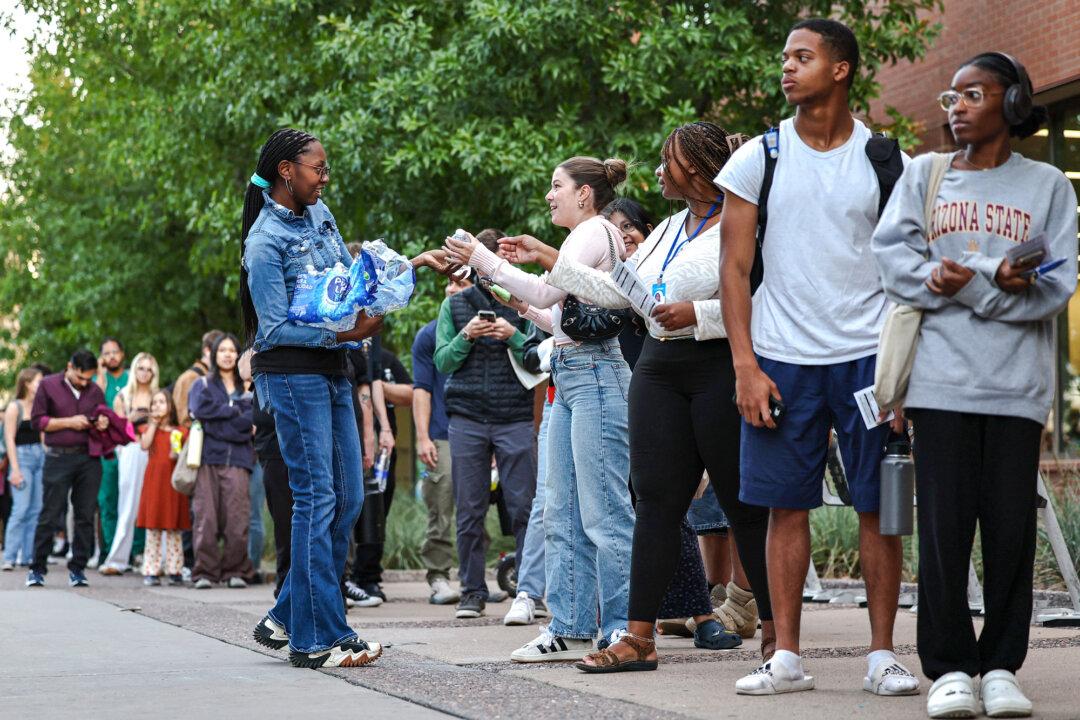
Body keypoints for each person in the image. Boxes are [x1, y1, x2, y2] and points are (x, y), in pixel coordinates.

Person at [498, 124, 769, 672]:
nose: (657, 172)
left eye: (667, 162)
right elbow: (622, 293)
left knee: (742, 504)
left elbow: (762, 301)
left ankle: (779, 639)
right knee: (654, 503)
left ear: (693, 167)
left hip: (716, 365)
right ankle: (636, 637)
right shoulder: (668, 227)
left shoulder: (740, 222)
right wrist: (549, 257)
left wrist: (701, 315)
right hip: (659, 371)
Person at [717, 18, 917, 696]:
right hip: (781, 358)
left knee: (876, 507)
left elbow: (910, 271)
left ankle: (883, 654)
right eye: (784, 57)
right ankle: (787, 657)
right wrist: (744, 365)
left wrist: (902, 377)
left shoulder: (888, 161)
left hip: (868, 360)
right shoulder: (759, 158)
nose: (786, 67)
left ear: (841, 69)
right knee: (784, 507)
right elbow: (734, 268)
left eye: (802, 57)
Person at [873, 52, 1075, 719]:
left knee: (1011, 532)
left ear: (1012, 103)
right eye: (950, 96)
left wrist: (974, 281)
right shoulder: (925, 176)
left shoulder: (1048, 184)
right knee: (944, 532)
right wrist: (941, 279)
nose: (955, 106)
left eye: (972, 94)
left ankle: (1001, 669)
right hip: (938, 384)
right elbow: (894, 264)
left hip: (1015, 388)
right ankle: (951, 668)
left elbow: (1056, 286)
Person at [242, 128, 453, 669]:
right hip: (291, 375)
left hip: (335, 369)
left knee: (350, 498)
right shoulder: (264, 242)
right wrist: (342, 336)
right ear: (287, 171)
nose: (325, 177)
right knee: (317, 499)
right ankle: (317, 638)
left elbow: (351, 281)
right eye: (318, 168)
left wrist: (415, 265)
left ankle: (288, 614)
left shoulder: (322, 214)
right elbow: (270, 330)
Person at [444, 157, 635, 662]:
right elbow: (556, 316)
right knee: (561, 512)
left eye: (557, 186)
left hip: (596, 374)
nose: (549, 195)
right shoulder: (583, 235)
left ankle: (620, 628)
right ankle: (569, 626)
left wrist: (483, 258)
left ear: (585, 195)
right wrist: (504, 292)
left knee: (604, 513)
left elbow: (549, 288)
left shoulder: (593, 230)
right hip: (572, 373)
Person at [434, 228, 537, 621]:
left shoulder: (526, 303)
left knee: (524, 508)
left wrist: (512, 336)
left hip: (514, 416)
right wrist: (466, 336)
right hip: (467, 420)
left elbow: (540, 356)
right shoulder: (455, 307)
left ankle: (528, 591)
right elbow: (443, 361)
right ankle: (472, 592)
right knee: (469, 509)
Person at [412, 275, 471, 606]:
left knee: (473, 508)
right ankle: (438, 576)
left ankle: (472, 578)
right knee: (441, 502)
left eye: (460, 284)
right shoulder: (429, 334)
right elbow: (421, 389)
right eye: (449, 282)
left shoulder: (490, 327)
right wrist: (422, 437)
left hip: (479, 429)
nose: (451, 289)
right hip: (441, 433)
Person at [26, 350, 109, 587]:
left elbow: (101, 416)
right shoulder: (48, 386)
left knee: (84, 515)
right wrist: (69, 422)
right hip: (57, 458)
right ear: (69, 367)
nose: (84, 383)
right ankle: (37, 568)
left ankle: (78, 568)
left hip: (88, 459)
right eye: (80, 377)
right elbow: (37, 421)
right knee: (51, 513)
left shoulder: (95, 391)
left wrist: (102, 422)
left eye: (88, 379)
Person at [188, 334, 255, 589]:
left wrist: (220, 419)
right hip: (207, 458)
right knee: (205, 517)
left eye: (232, 350)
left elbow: (251, 421)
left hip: (239, 460)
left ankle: (235, 570)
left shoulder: (249, 387)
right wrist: (234, 416)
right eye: (222, 350)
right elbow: (199, 412)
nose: (227, 354)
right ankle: (204, 571)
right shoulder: (202, 385)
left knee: (237, 519)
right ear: (214, 354)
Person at [349, 340, 412, 603]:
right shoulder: (344, 352)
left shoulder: (384, 358)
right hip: (353, 442)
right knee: (352, 509)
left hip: (383, 450)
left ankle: (369, 577)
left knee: (377, 510)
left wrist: (382, 390)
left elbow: (411, 392)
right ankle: (348, 576)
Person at [99, 352, 158, 574]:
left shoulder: (158, 395)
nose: (144, 372)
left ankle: (154, 560)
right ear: (134, 370)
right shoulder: (123, 396)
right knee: (127, 504)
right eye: (141, 368)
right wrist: (130, 421)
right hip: (131, 451)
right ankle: (117, 559)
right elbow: (118, 431)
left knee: (154, 503)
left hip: (154, 450)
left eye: (149, 368)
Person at [135, 390, 189, 586]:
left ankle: (175, 569)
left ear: (170, 406)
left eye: (161, 402)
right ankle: (151, 569)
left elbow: (183, 454)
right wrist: (153, 424)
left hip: (172, 483)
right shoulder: (149, 429)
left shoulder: (180, 431)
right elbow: (144, 445)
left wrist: (178, 451)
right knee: (153, 526)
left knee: (173, 526)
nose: (157, 406)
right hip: (154, 482)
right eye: (154, 403)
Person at [2, 368, 45, 570]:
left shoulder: (40, 406)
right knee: (21, 508)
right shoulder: (14, 407)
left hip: (40, 456)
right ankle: (10, 556)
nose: (41, 384)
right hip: (22, 456)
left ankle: (28, 556)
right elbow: (9, 438)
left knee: (36, 509)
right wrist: (15, 469)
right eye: (38, 381)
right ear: (27, 383)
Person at [95, 337, 128, 561]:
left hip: (130, 445)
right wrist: (99, 373)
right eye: (106, 353)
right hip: (105, 449)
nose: (111, 357)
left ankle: (133, 551)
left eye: (114, 352)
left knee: (129, 498)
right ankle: (108, 551)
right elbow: (93, 406)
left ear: (122, 354)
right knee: (107, 500)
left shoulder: (131, 378)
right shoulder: (99, 381)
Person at [174, 330, 224, 427]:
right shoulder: (191, 377)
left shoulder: (209, 376)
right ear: (207, 351)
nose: (224, 355)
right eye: (220, 350)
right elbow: (184, 419)